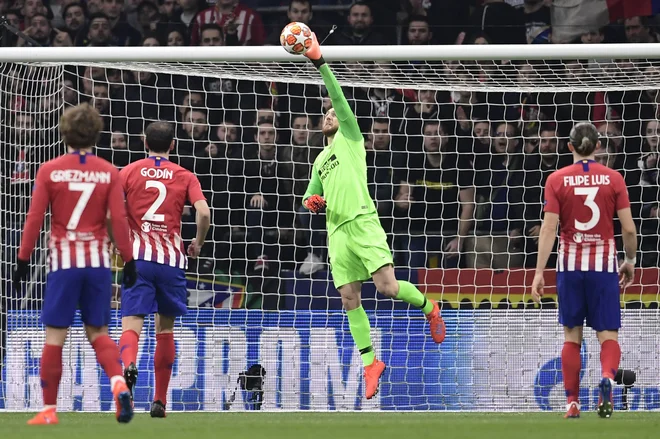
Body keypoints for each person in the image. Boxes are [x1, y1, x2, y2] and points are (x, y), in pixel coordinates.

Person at [301, 32, 446, 400]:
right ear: (321, 126)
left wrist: (320, 62)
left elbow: (337, 96)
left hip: (363, 221)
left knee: (388, 287)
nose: (331, 114)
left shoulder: (352, 138)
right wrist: (311, 202)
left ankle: (431, 308)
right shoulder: (319, 159)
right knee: (350, 298)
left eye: (334, 112)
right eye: (326, 115)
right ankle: (370, 364)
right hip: (337, 233)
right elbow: (309, 193)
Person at [13, 103, 136, 425]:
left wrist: (23, 259)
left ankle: (49, 411)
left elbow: (35, 219)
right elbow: (118, 219)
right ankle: (118, 383)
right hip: (97, 262)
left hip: (64, 262)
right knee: (99, 331)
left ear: (63, 131)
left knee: (55, 335)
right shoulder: (109, 171)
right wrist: (129, 259)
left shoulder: (50, 169)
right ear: (96, 132)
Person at [530, 122, 637, 419]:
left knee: (571, 336)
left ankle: (572, 403)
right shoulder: (614, 178)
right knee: (608, 334)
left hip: (570, 265)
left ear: (570, 147)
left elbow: (549, 228)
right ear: (598, 147)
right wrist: (629, 260)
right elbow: (628, 228)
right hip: (604, 266)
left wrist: (539, 272)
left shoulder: (556, 179)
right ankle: (606, 377)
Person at [118, 121, 210, 418]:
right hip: (171, 261)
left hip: (139, 258)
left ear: (145, 143)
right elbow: (204, 212)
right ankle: (159, 401)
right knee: (165, 329)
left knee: (132, 322)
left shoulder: (129, 171)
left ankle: (129, 373)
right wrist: (197, 242)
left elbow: (112, 210)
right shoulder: (184, 175)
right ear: (173, 145)